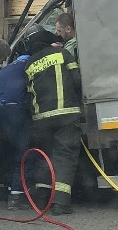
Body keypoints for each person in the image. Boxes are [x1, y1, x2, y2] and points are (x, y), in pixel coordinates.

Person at [24, 27, 82, 216]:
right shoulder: (62, 54)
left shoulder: (30, 64)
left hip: (41, 120)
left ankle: (42, 199)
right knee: (64, 157)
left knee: (45, 157)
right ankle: (60, 203)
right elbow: (77, 80)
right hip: (66, 114)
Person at [0, 43, 34, 209]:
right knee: (23, 152)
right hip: (12, 110)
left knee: (0, 151)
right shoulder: (30, 65)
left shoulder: (5, 70)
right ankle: (17, 196)